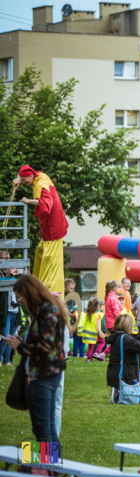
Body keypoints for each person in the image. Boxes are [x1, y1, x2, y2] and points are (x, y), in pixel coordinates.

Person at [3, 274, 68, 442]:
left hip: (42, 375)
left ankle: (44, 466)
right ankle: (50, 467)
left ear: (30, 292)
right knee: (48, 428)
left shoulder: (46, 311)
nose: (20, 302)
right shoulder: (47, 309)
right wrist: (22, 341)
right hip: (47, 374)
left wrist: (20, 347)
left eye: (20, 297)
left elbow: (46, 348)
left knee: (42, 429)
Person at [13, 165, 69, 294]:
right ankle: (37, 285)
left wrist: (28, 200)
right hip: (50, 229)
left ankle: (48, 293)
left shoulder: (40, 185)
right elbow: (26, 169)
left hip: (52, 230)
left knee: (50, 262)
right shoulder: (40, 176)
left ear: (31, 176)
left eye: (25, 179)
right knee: (40, 252)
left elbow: (47, 203)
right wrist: (18, 179)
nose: (24, 182)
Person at [106, 313, 140, 404]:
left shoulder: (119, 336)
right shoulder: (125, 338)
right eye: (132, 324)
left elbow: (135, 340)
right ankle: (119, 394)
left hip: (115, 373)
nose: (133, 326)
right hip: (123, 375)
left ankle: (120, 390)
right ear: (127, 325)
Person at [0, 251, 22, 366]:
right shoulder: (2, 274)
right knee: (5, 338)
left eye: (9, 258)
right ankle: (0, 360)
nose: (8, 260)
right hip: (6, 311)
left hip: (15, 310)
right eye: (5, 258)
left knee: (12, 338)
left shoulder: (13, 271)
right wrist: (10, 276)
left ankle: (7, 361)